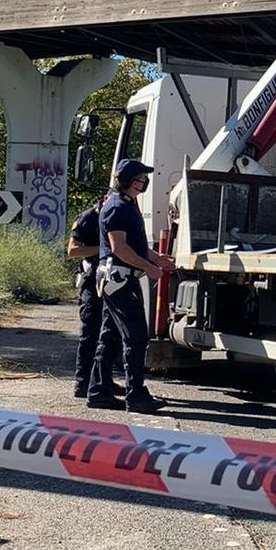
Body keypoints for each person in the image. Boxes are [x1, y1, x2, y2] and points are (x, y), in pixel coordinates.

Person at [89, 159, 174, 413]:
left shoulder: (124, 204)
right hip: (120, 280)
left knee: (110, 336)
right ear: (127, 181)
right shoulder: (118, 207)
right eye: (140, 179)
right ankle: (135, 395)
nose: (144, 183)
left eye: (144, 179)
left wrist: (157, 259)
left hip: (116, 279)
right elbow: (120, 248)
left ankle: (99, 391)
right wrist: (150, 267)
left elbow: (134, 245)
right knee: (135, 337)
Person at [67, 199, 119, 402]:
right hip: (91, 282)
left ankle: (102, 380)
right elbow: (73, 250)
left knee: (109, 335)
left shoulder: (116, 214)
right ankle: (82, 383)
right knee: (90, 333)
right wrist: (103, 249)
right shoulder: (88, 218)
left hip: (111, 281)